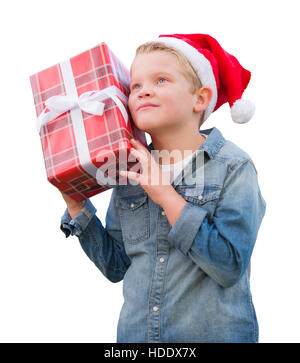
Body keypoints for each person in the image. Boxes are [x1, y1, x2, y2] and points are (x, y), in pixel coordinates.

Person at [60, 33, 266, 343]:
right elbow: (117, 266)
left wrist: (165, 194)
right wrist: (78, 207)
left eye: (161, 80)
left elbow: (228, 266)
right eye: (136, 86)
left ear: (200, 98)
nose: (143, 92)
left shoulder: (233, 167)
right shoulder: (130, 170)